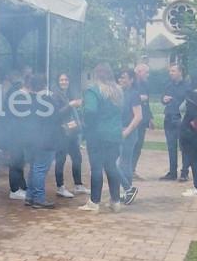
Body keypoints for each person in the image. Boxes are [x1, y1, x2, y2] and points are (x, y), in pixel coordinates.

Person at [78, 64, 125, 213]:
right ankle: (115, 201)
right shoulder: (118, 91)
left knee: (96, 168)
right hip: (114, 134)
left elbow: (90, 111)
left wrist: (86, 123)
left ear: (96, 75)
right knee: (111, 166)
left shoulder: (93, 91)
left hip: (97, 135)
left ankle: (94, 202)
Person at [25, 75, 71, 209]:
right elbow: (56, 117)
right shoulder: (46, 99)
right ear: (44, 85)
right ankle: (39, 199)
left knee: (34, 168)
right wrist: (69, 106)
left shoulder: (27, 99)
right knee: (40, 169)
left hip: (31, 138)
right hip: (46, 139)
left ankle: (30, 196)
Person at [114, 68, 145, 204]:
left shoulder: (134, 94)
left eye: (124, 77)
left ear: (131, 80)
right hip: (117, 131)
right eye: (120, 77)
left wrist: (126, 132)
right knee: (121, 163)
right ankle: (127, 191)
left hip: (128, 133)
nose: (121, 80)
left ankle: (128, 190)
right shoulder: (119, 93)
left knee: (123, 163)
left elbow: (138, 116)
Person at [52, 73, 85, 197]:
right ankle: (60, 187)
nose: (64, 82)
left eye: (66, 79)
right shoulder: (55, 95)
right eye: (61, 80)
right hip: (61, 132)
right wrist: (70, 105)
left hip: (72, 132)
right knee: (61, 159)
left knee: (77, 158)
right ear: (58, 81)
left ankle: (78, 185)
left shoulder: (70, 94)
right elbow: (56, 114)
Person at [159, 62, 192, 181]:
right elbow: (162, 98)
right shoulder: (168, 85)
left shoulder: (188, 86)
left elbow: (190, 102)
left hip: (181, 119)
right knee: (171, 146)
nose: (170, 73)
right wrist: (164, 99)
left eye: (173, 71)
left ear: (180, 72)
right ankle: (172, 172)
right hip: (169, 118)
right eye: (170, 71)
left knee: (184, 146)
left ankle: (184, 172)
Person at [131, 62, 153, 179]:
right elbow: (126, 97)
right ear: (139, 72)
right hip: (132, 119)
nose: (147, 75)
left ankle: (132, 169)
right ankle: (126, 169)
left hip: (143, 119)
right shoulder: (131, 83)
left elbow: (147, 103)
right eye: (146, 72)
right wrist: (139, 98)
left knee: (139, 145)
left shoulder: (145, 85)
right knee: (131, 144)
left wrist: (150, 117)